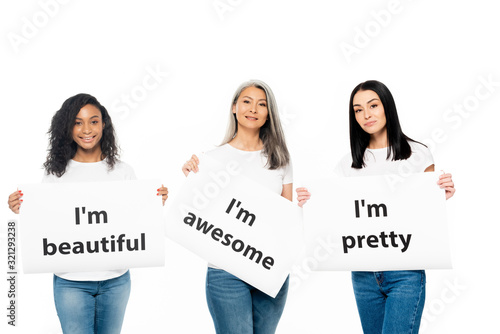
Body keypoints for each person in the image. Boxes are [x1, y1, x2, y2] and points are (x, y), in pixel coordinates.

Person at [296, 80, 455, 333]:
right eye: (358, 110)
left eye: (373, 105)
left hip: (405, 273)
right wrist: (312, 204)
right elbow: (339, 214)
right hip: (363, 275)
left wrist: (442, 194)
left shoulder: (418, 154)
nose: (366, 115)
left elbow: (426, 214)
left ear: (387, 107)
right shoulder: (347, 164)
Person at [7, 93, 168, 334]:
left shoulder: (123, 172)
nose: (86, 129)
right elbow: (47, 222)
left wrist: (154, 201)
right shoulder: (56, 175)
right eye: (77, 122)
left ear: (104, 124)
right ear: (68, 127)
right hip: (71, 282)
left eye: (93, 121)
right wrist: (22, 207)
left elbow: (134, 219)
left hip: (116, 280)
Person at [182, 80, 294, 334]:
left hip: (269, 267)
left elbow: (287, 217)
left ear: (268, 114)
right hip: (226, 272)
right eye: (246, 101)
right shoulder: (211, 160)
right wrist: (190, 180)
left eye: (261, 104)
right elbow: (197, 215)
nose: (253, 108)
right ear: (234, 107)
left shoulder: (280, 159)